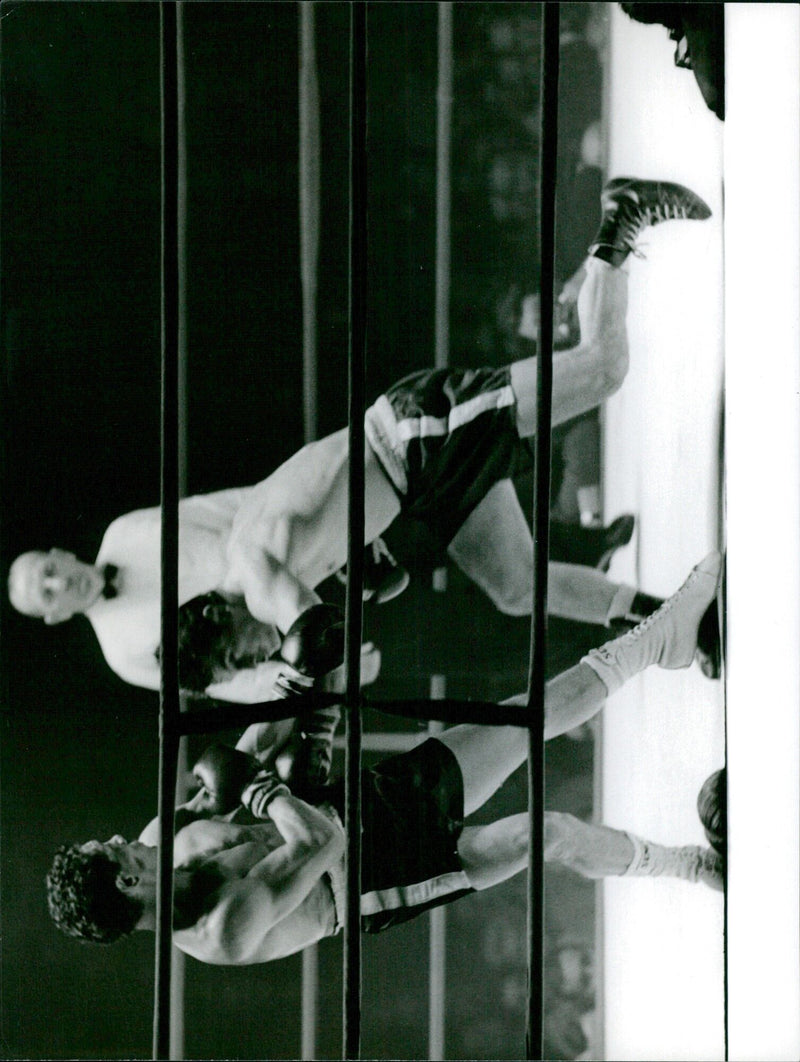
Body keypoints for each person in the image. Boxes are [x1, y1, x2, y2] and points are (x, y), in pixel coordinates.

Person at [10, 177, 717, 696]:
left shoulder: (252, 574)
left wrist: (308, 678)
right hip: (416, 486)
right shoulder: (244, 574)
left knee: (603, 371)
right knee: (514, 589)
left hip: (416, 436)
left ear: (223, 621)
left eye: (240, 657)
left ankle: (619, 225)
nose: (253, 661)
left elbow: (312, 632)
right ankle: (673, 619)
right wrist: (356, 558)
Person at [47, 553, 723, 963]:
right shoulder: (221, 929)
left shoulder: (159, 838)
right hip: (375, 879)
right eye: (111, 851)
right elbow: (317, 839)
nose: (118, 837)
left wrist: (303, 687)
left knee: (526, 718)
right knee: (542, 834)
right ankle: (692, 866)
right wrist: (264, 785)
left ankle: (663, 637)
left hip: (359, 802)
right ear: (129, 884)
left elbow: (242, 758)